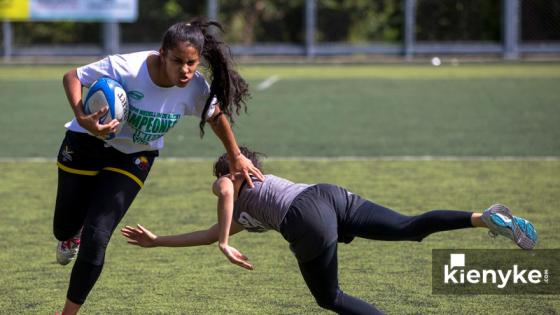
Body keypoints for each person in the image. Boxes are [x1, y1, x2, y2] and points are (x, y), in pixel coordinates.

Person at [121, 147, 538, 315]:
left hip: (304, 217)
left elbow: (225, 196)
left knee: (330, 297)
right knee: (410, 227)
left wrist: (227, 242)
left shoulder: (230, 180)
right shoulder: (257, 197)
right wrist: (158, 242)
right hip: (328, 196)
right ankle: (484, 218)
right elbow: (211, 231)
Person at [53, 19, 264, 315]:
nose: (185, 70)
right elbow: (72, 76)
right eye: (178, 61)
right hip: (85, 143)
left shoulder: (196, 88)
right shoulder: (128, 67)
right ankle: (69, 234)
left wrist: (235, 156)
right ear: (162, 53)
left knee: (98, 235)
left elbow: (216, 117)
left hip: (134, 156)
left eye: (192, 63)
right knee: (63, 226)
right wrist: (81, 114)